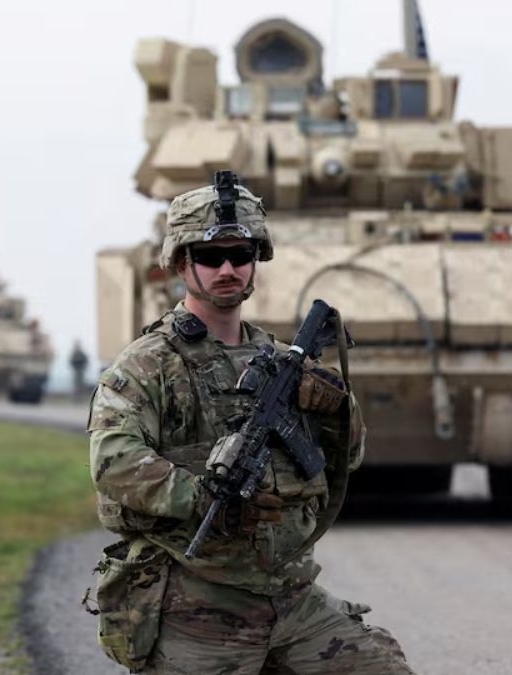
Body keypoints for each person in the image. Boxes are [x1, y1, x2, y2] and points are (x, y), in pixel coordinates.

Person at [87, 173, 417, 674]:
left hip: (290, 596)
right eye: (209, 256)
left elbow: (347, 459)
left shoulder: (285, 360)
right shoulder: (147, 364)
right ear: (181, 263)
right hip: (197, 599)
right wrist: (201, 498)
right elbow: (113, 461)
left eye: (240, 256)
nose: (226, 269)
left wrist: (336, 413)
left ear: (255, 261)